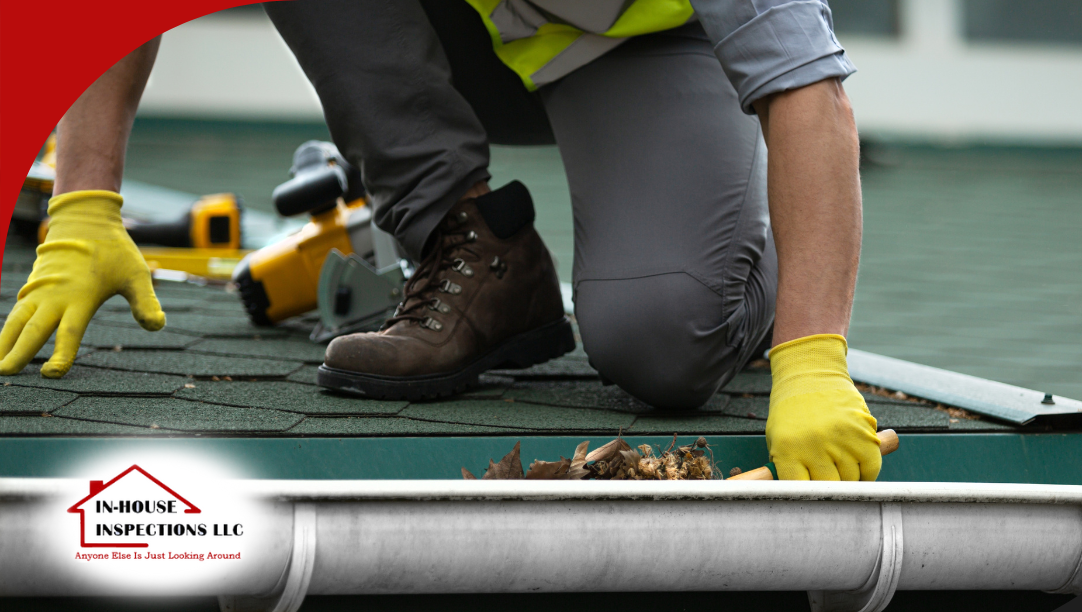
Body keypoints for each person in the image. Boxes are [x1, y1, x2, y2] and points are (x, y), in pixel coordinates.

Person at [1, 0, 881, 482]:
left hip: (642, 53)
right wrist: (84, 203)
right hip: (464, 29)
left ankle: (745, 275)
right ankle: (471, 245)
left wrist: (811, 354)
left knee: (661, 342)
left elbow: (812, 99)